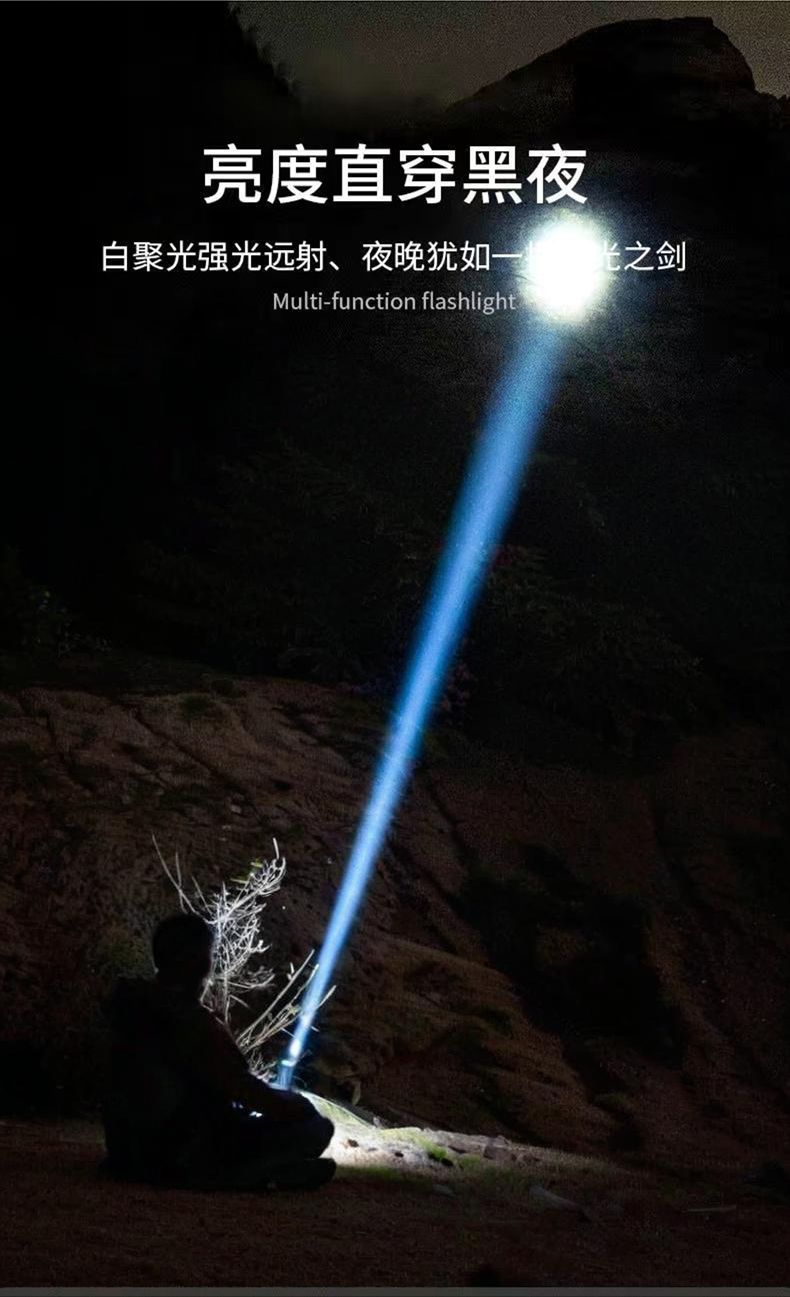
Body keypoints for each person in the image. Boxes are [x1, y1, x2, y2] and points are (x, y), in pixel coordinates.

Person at [101, 912, 335, 1190]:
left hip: (128, 1151)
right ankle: (257, 1173)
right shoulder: (188, 1020)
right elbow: (244, 1089)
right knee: (316, 1128)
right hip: (183, 1151)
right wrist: (298, 1106)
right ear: (200, 961)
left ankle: (272, 1170)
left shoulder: (132, 1005)